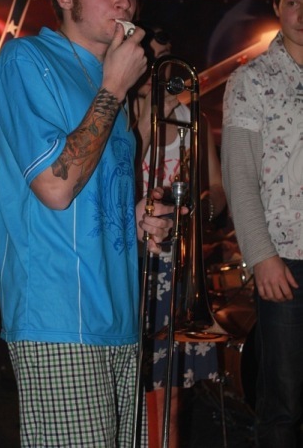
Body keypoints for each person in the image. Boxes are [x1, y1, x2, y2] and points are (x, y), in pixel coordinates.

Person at [0, 0, 175, 448]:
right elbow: (54, 186)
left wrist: (133, 215)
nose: (125, 1)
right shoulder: (27, 60)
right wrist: (114, 88)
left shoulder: (110, 79)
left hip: (119, 316)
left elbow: (88, 192)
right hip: (58, 317)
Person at [131, 26, 227, 448]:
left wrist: (205, 207)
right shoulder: (123, 119)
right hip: (135, 261)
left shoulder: (193, 120)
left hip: (177, 263)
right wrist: (151, 115)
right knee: (134, 391)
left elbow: (217, 187)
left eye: (163, 57)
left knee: (170, 394)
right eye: (149, 57)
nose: (158, 67)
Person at [221, 0, 303, 448]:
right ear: (277, 7)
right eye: (293, 0)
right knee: (283, 402)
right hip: (285, 261)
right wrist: (261, 256)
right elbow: (239, 177)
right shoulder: (250, 80)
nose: (302, 12)